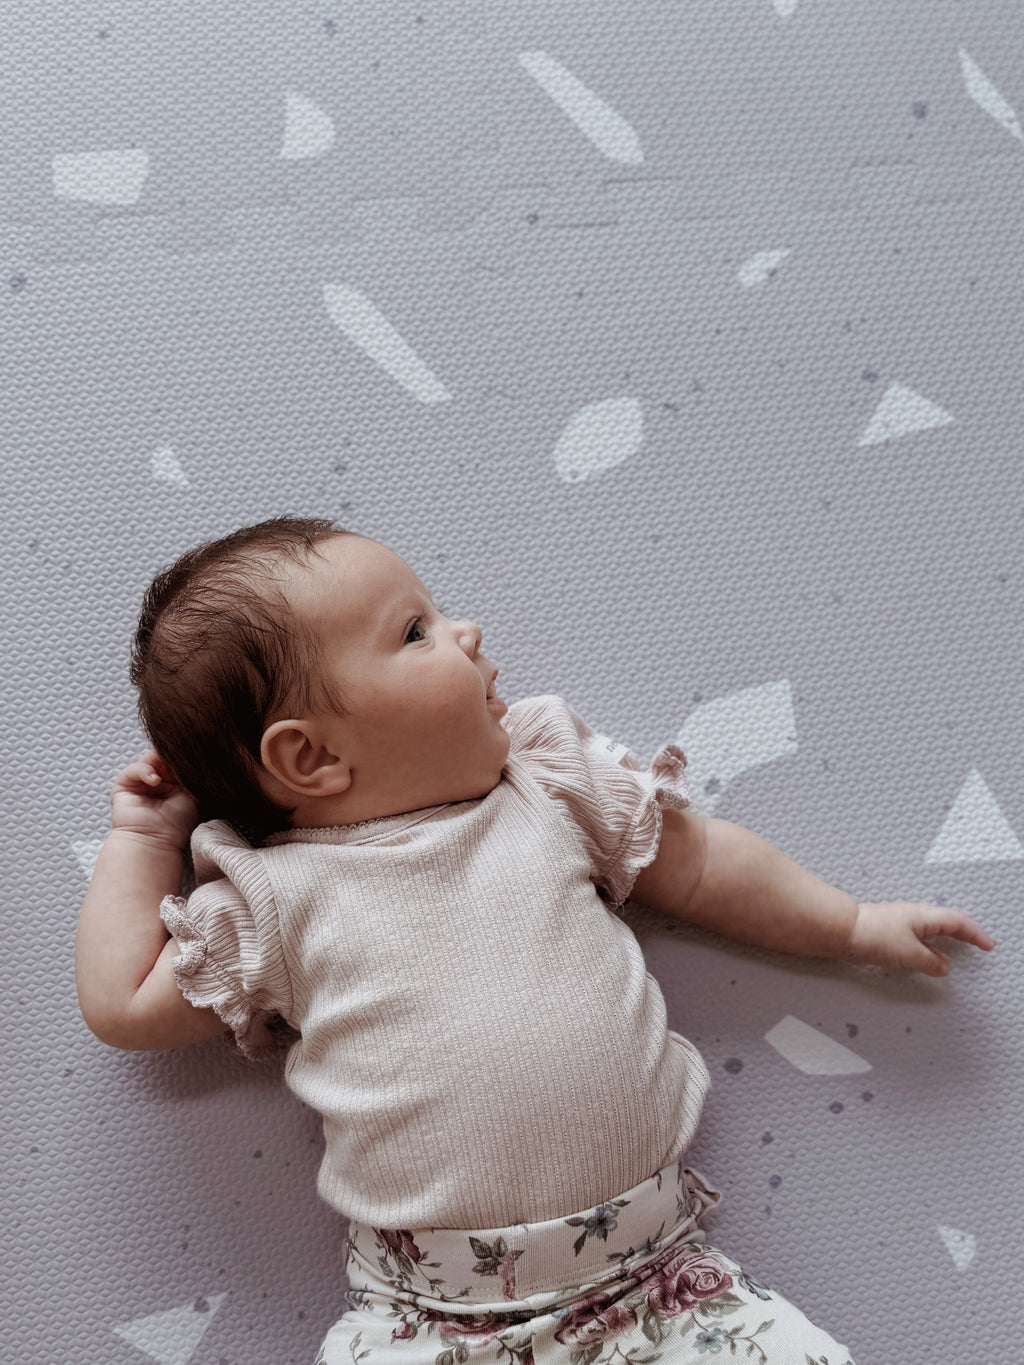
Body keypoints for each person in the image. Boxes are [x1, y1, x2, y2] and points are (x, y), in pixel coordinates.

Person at [75, 516, 996, 1365]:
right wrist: (145, 840)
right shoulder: (278, 898)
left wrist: (850, 924)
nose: (467, 631)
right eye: (416, 631)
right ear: (311, 756)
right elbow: (125, 1005)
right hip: (430, 1320)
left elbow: (702, 863)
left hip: (659, 1288)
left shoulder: (545, 785)